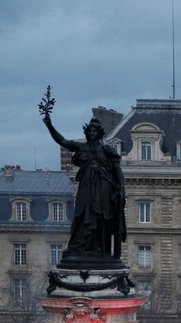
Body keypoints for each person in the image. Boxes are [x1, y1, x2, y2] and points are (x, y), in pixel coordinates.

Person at [40, 88, 126, 260]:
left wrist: (121, 191)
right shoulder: (82, 148)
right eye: (90, 131)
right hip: (86, 188)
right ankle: (78, 247)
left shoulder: (107, 150)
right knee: (80, 215)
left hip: (103, 190)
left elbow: (118, 173)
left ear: (99, 133)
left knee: (101, 219)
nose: (92, 133)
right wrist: (50, 125)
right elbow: (62, 141)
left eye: (95, 131)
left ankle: (100, 250)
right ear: (87, 133)